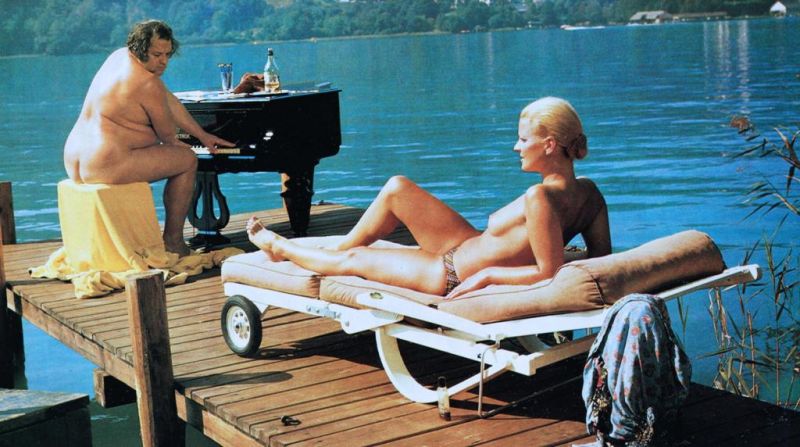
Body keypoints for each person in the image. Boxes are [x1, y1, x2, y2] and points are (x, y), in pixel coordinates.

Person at [247, 97, 611, 299]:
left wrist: (487, 278)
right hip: (465, 243)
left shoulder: (540, 197)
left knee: (356, 260)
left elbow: (547, 273)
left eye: (524, 140)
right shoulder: (590, 194)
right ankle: (336, 247)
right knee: (398, 188)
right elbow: (601, 260)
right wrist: (563, 252)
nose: (516, 147)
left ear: (549, 145)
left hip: (449, 273)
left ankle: (280, 247)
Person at [63, 20, 234, 256]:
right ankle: (173, 241)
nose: (163, 61)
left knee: (180, 152)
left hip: (74, 159)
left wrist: (202, 135)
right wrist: (186, 141)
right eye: (156, 55)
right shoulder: (147, 82)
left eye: (167, 54)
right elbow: (168, 136)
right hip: (105, 165)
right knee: (186, 159)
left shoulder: (118, 57)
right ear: (140, 49)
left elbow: (168, 100)